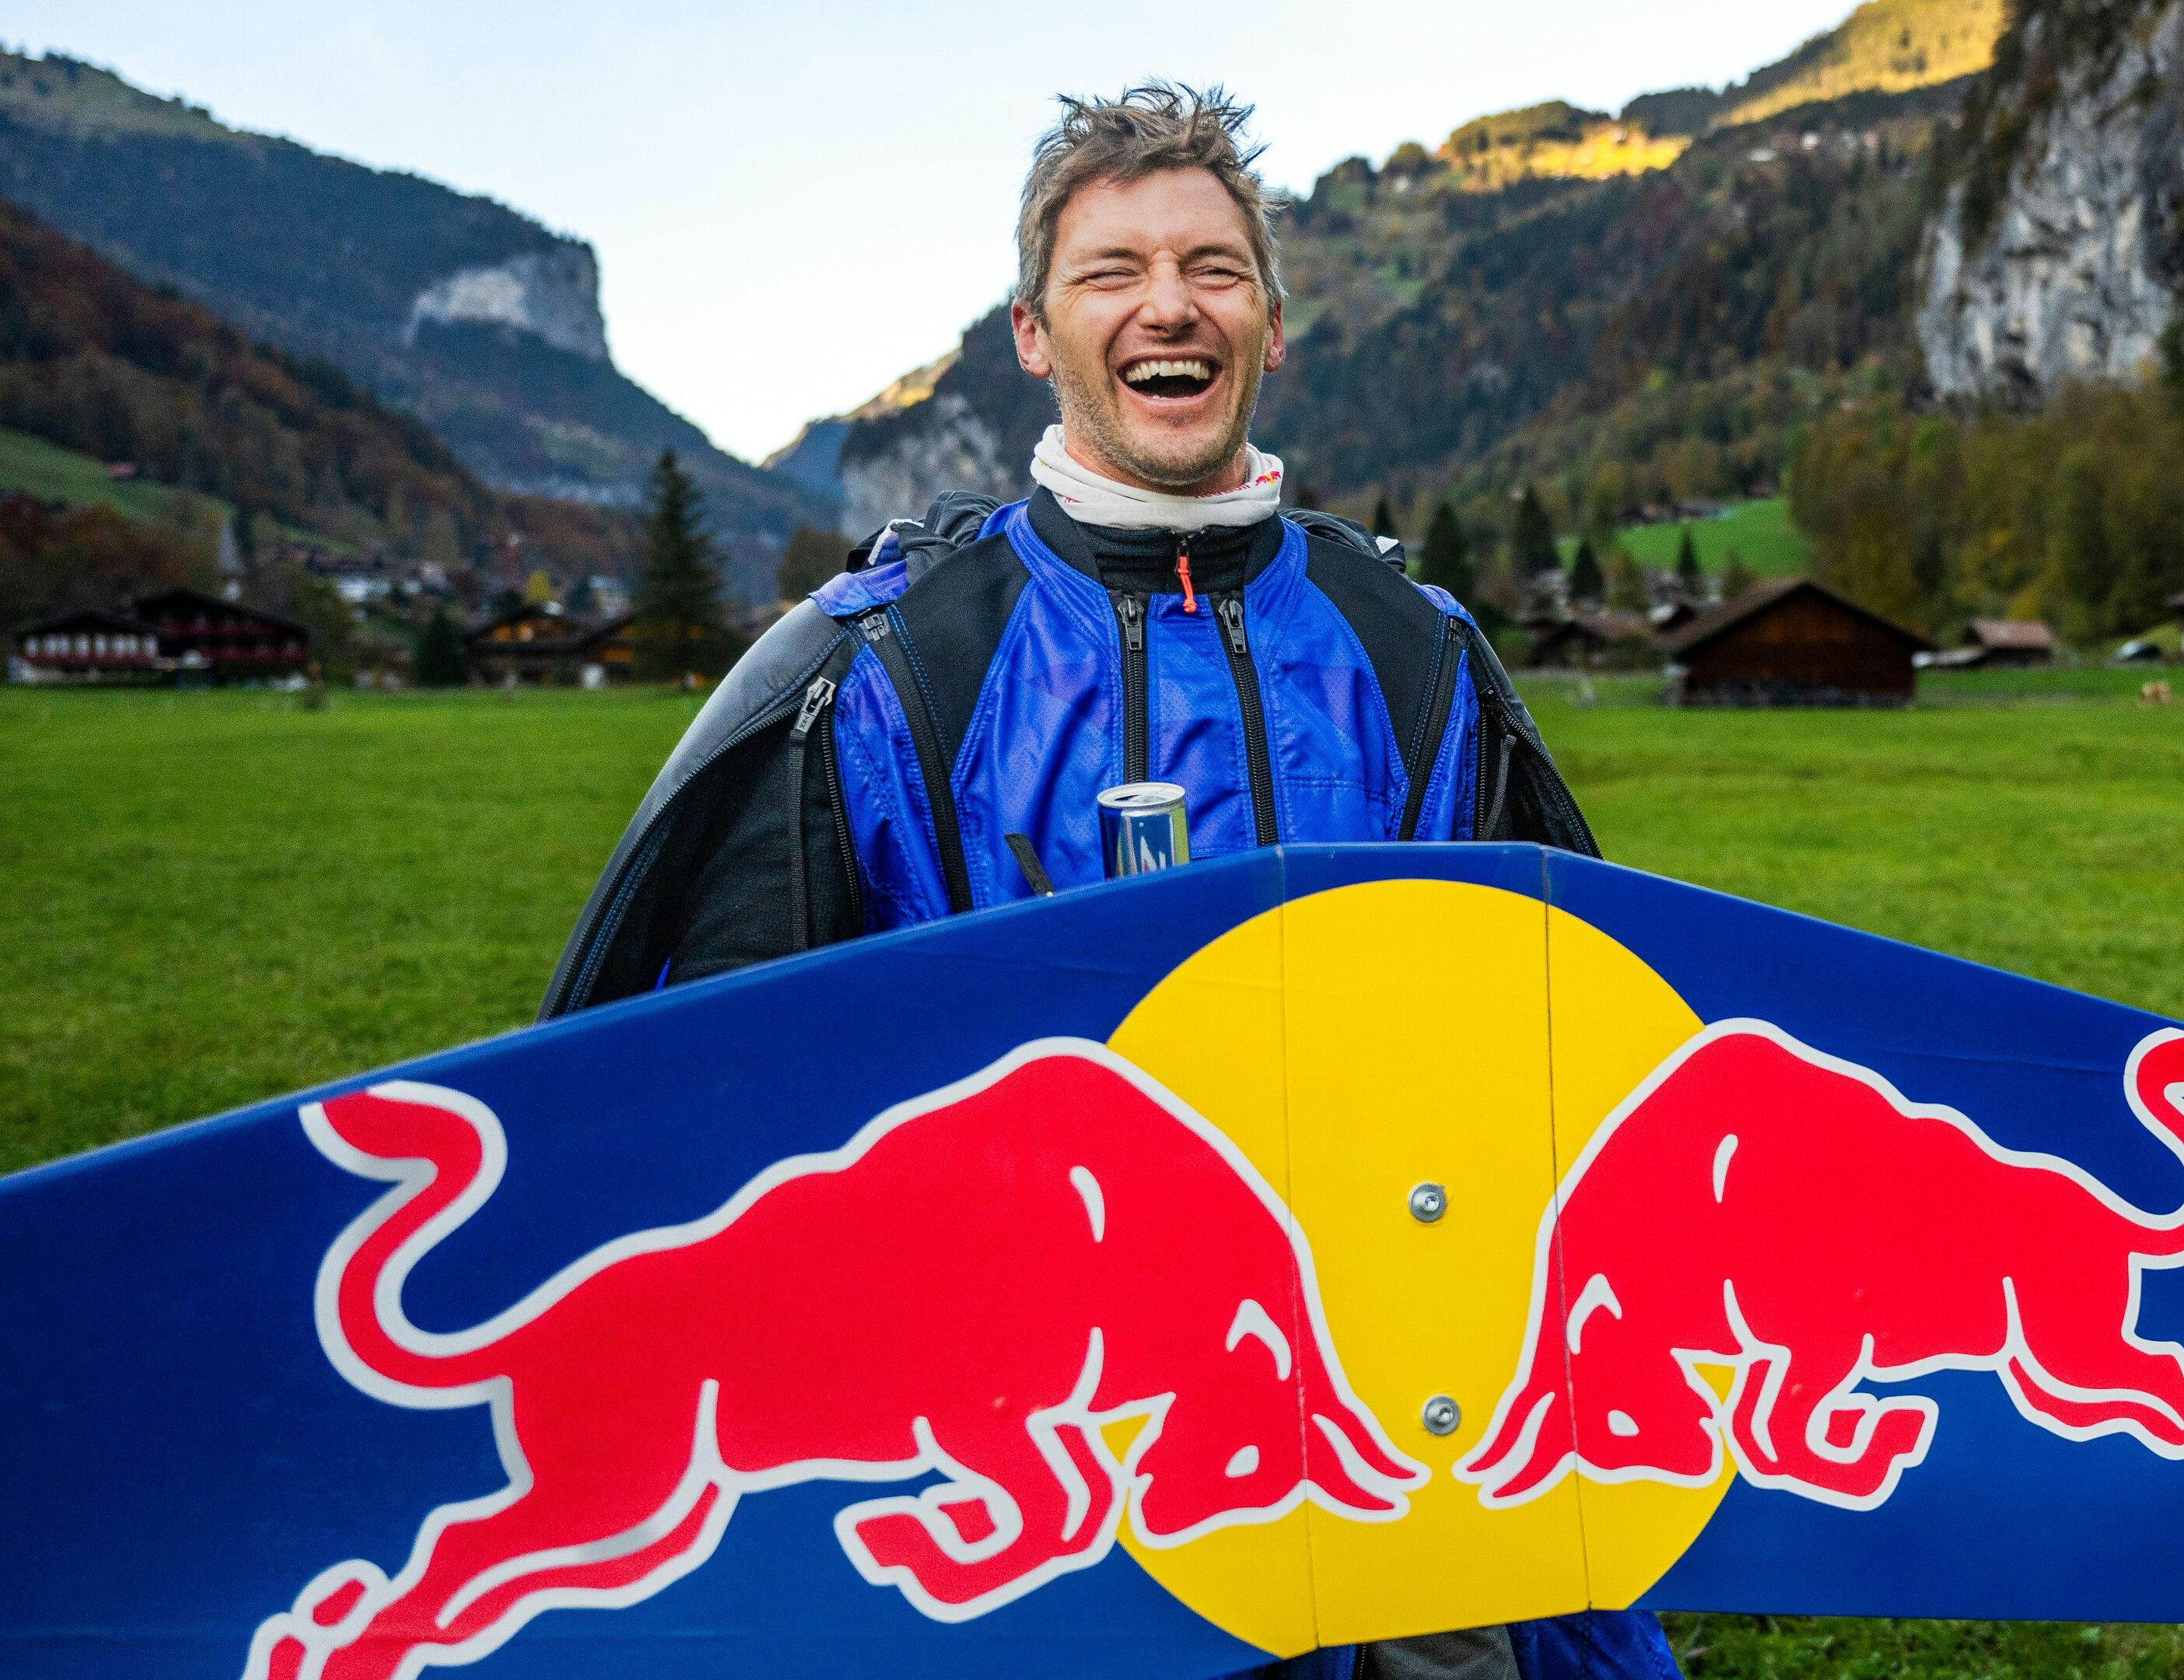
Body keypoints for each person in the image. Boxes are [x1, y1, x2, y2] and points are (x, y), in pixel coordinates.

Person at [539, 83, 1661, 1680]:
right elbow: (725, 1109)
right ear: (1033, 333)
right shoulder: (888, 666)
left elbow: (1560, 1059)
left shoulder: (1419, 653)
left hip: (1399, 1431)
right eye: (1112, 270)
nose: (1169, 304)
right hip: (1027, 1449)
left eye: (1214, 268)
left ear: (1271, 326)